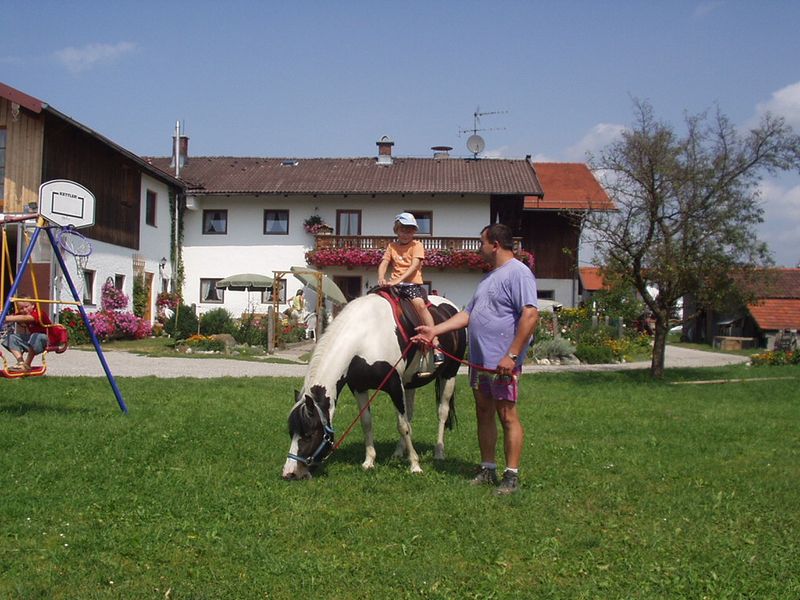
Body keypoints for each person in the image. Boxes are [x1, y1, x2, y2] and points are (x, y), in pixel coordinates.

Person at [412, 223, 539, 495]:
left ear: (494, 243)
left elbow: (530, 314)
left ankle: (511, 475)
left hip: (503, 363)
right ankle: (487, 468)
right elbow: (468, 314)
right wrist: (434, 329)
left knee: (506, 414)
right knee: (483, 412)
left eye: (481, 242)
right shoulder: (488, 278)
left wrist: (512, 355)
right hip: (481, 363)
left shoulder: (519, 273)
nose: (479, 247)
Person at [377, 212, 444, 373]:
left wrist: (398, 280)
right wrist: (381, 277)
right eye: (402, 230)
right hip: (395, 285)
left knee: (420, 306)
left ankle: (436, 343)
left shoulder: (417, 245)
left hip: (411, 284)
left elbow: (414, 266)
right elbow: (384, 263)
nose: (406, 233)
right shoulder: (391, 246)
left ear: (414, 232)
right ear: (396, 230)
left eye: (409, 230)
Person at [1, 301, 51, 372]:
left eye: (26, 307)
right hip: (34, 340)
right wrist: (2, 318)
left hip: (47, 339)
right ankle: (21, 362)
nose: (24, 310)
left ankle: (27, 365)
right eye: (21, 308)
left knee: (35, 335)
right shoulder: (22, 314)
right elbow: (13, 317)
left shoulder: (39, 313)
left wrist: (5, 318)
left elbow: (26, 318)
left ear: (33, 306)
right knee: (10, 337)